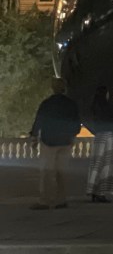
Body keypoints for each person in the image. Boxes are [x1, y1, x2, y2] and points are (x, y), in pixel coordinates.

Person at [28, 78, 81, 210]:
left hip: (49, 141)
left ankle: (45, 200)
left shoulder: (47, 104)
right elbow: (76, 123)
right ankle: (61, 199)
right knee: (62, 172)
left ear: (53, 88)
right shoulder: (71, 104)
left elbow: (39, 121)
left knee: (47, 172)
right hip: (65, 141)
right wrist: (71, 135)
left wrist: (34, 137)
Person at [85, 86, 113, 203]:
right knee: (106, 165)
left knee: (97, 164)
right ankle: (101, 192)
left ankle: (93, 190)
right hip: (109, 137)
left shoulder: (94, 107)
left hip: (98, 136)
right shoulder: (107, 107)